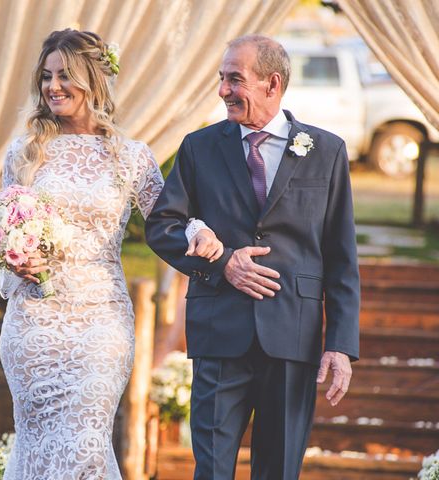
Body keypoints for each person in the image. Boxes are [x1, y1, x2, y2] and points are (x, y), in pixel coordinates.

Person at [0, 29, 221, 479]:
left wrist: (201, 231)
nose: (53, 86)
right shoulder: (24, 153)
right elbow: (4, 230)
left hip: (100, 322)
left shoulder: (130, 156)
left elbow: (168, 217)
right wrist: (15, 262)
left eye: (65, 75)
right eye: (46, 76)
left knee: (85, 442)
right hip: (34, 323)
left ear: (93, 80)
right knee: (37, 445)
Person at [145, 34, 360, 479]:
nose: (223, 90)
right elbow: (161, 226)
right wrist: (222, 263)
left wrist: (339, 344)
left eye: (234, 80)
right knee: (212, 470)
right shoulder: (198, 147)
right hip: (219, 332)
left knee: (279, 471)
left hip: (292, 336)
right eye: (222, 79)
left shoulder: (328, 151)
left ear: (272, 84)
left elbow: (341, 259)